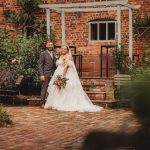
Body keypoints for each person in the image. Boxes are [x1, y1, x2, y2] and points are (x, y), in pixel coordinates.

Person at [44, 46, 103, 112]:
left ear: (67, 50)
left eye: (65, 49)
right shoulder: (60, 56)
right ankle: (57, 102)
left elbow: (66, 67)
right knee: (58, 88)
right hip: (58, 72)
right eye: (62, 49)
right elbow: (58, 64)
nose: (63, 50)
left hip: (65, 74)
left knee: (66, 88)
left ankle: (66, 103)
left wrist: (62, 76)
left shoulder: (68, 56)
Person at [38, 41, 57, 108]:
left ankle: (52, 103)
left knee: (54, 88)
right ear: (46, 46)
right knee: (44, 88)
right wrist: (41, 74)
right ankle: (42, 103)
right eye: (49, 45)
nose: (50, 46)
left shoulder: (55, 53)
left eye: (51, 45)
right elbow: (40, 65)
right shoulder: (43, 54)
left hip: (54, 73)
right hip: (46, 73)